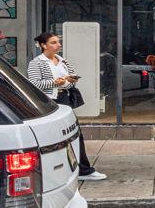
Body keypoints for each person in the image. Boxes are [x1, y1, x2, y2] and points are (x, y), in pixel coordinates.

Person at [27, 32, 105, 182]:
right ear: (44, 45)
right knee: (51, 137)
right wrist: (57, 82)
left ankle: (84, 169)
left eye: (58, 42)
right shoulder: (36, 63)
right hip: (48, 102)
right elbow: (35, 84)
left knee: (75, 133)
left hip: (65, 98)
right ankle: (50, 171)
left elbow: (72, 80)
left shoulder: (63, 61)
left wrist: (67, 82)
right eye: (54, 42)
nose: (58, 45)